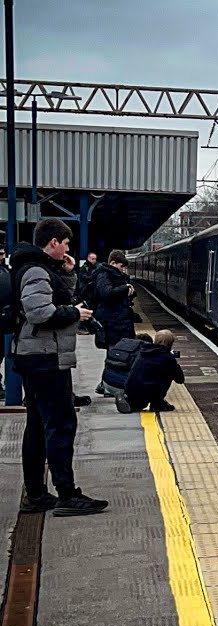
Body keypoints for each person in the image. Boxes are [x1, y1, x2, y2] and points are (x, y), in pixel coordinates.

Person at [11, 218, 108, 515]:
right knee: (61, 424)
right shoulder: (37, 271)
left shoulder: (35, 268)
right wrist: (74, 314)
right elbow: (41, 313)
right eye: (66, 243)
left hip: (37, 356)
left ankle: (38, 495)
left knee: (39, 426)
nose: (68, 249)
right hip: (45, 358)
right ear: (53, 242)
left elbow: (53, 297)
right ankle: (67, 495)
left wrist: (67, 274)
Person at [93, 250, 135, 391]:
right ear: (112, 263)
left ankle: (109, 383)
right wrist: (124, 288)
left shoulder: (118, 276)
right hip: (112, 322)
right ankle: (109, 384)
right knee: (115, 355)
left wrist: (130, 292)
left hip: (121, 320)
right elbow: (107, 294)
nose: (123, 270)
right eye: (121, 266)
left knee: (119, 354)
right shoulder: (103, 274)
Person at [115, 329, 183, 413]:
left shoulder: (143, 351)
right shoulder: (167, 358)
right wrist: (174, 363)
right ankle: (157, 404)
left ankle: (129, 401)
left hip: (131, 389)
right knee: (168, 373)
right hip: (149, 392)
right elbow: (180, 379)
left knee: (138, 405)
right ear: (170, 343)